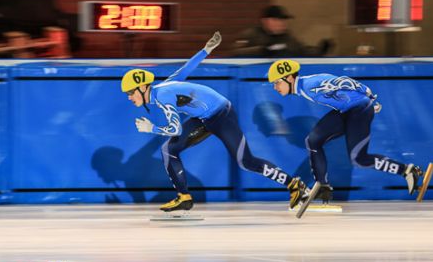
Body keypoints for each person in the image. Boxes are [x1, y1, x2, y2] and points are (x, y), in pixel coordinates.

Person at [121, 32, 309, 212]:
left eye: (131, 92)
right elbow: (185, 69)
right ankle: (184, 197)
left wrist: (151, 128)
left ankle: (294, 185)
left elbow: (175, 128)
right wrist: (206, 50)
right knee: (168, 150)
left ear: (143, 87)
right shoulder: (163, 86)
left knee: (246, 161)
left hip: (222, 115)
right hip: (204, 117)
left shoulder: (163, 96)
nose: (129, 97)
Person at [267, 59, 428, 202]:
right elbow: (340, 81)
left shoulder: (309, 85)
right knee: (313, 140)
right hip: (347, 111)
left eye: (277, 83)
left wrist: (369, 99)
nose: (275, 87)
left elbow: (343, 81)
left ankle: (407, 171)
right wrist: (369, 96)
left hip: (359, 110)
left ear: (289, 78)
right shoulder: (304, 85)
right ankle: (322, 186)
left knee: (359, 159)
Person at [233, 5, 332, 58]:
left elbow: (303, 51)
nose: (282, 23)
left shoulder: (289, 38)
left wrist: (320, 50)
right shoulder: (251, 35)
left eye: (284, 20)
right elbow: (236, 52)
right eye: (277, 19)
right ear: (265, 21)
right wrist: (262, 51)